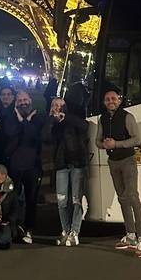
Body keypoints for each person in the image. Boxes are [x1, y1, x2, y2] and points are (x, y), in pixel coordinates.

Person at [95, 88, 141, 258]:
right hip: (113, 162)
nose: (111, 101)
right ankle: (130, 235)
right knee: (122, 197)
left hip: (128, 161)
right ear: (104, 102)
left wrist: (116, 144)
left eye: (113, 98)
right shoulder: (102, 118)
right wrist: (105, 145)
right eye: (107, 99)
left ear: (119, 100)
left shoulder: (127, 117)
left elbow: (137, 139)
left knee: (132, 196)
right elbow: (97, 141)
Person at [43, 95, 89, 246]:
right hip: (61, 164)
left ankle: (75, 232)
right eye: (54, 105)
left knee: (77, 199)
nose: (57, 107)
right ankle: (66, 230)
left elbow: (84, 126)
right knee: (62, 201)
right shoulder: (52, 123)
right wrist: (51, 120)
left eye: (59, 104)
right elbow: (45, 137)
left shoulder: (73, 117)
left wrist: (66, 117)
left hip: (77, 163)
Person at [4, 90, 44, 244]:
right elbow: (10, 133)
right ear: (16, 103)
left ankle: (29, 229)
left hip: (32, 165)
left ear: (30, 100)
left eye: (25, 99)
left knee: (31, 199)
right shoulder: (10, 118)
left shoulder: (38, 118)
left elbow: (33, 136)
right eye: (20, 100)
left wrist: (23, 122)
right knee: (13, 199)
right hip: (15, 164)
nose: (23, 102)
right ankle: (14, 227)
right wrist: (22, 120)